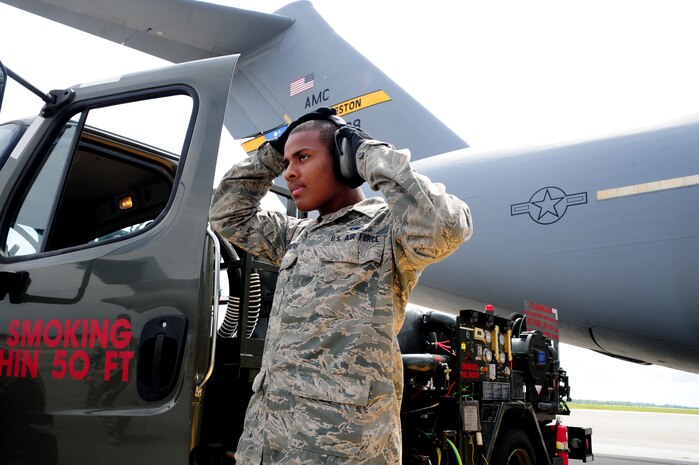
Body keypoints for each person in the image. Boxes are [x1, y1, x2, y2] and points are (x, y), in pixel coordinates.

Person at [209, 107, 472, 464]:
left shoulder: (386, 231)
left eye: (303, 157)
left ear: (344, 162)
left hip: (341, 449)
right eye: (286, 161)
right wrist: (270, 154)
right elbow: (227, 213)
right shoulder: (294, 236)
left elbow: (445, 225)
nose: (289, 171)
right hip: (268, 442)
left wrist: (366, 151)